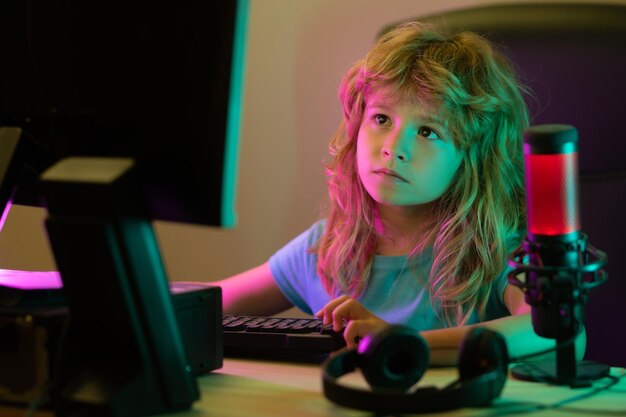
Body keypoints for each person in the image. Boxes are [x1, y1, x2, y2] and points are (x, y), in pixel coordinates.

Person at [210, 22, 585, 365]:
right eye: (382, 119)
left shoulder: (497, 249)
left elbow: (556, 333)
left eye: (427, 132)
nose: (393, 147)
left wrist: (403, 344)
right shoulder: (326, 247)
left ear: (472, 158)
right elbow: (196, 306)